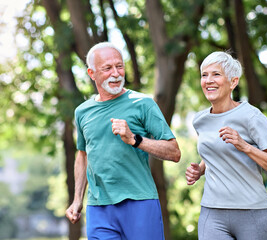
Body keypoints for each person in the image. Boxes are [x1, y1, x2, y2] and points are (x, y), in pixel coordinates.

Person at [65, 42, 181, 239]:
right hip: (98, 208)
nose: (115, 73)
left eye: (119, 66)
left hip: (140, 202)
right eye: (107, 68)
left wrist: (135, 139)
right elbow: (83, 155)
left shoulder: (143, 103)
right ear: (92, 74)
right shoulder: (82, 112)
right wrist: (77, 199)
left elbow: (174, 152)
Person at [185, 51, 267, 240]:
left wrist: (244, 145)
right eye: (204, 75)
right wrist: (200, 169)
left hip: (253, 213)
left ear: (233, 82)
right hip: (212, 212)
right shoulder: (200, 120)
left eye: (216, 74)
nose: (208, 80)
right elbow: (215, 152)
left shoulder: (252, 117)